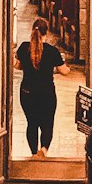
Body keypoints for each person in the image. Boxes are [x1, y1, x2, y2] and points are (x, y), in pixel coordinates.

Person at [14, 17, 70, 158]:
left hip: (27, 92)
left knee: (31, 123)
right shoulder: (52, 51)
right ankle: (43, 150)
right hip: (46, 94)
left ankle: (33, 154)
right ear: (47, 32)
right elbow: (64, 71)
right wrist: (66, 66)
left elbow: (17, 66)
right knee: (47, 123)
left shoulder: (23, 47)